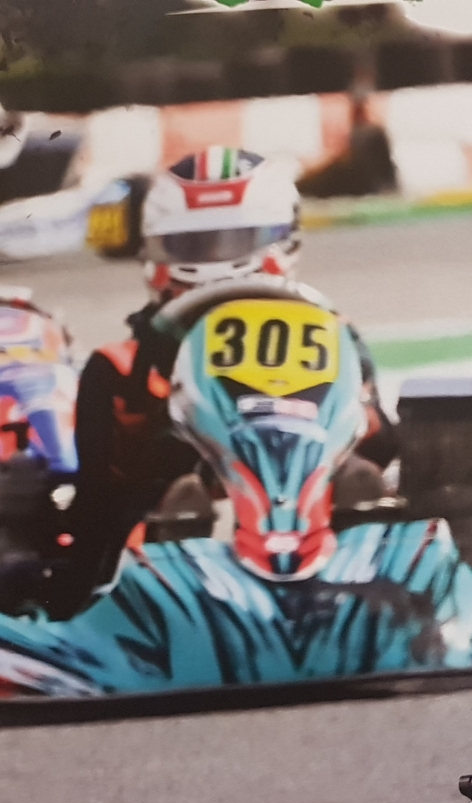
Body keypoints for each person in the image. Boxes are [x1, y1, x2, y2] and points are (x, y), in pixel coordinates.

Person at [64, 147, 397, 610]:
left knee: (365, 470)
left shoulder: (332, 333)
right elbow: (98, 493)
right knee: (149, 489)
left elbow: (380, 437)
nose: (214, 262)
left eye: (235, 241)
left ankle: (368, 543)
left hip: (315, 494)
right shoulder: (124, 364)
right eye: (193, 246)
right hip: (176, 505)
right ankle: (131, 572)